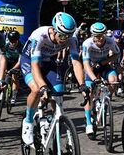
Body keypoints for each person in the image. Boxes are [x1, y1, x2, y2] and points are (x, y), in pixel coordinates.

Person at [19, 12, 85, 145]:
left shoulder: (71, 39)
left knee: (59, 91)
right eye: (61, 35)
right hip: (30, 61)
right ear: (54, 30)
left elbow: (76, 62)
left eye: (68, 36)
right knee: (37, 89)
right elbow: (35, 65)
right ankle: (28, 122)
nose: (64, 39)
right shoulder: (40, 35)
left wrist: (82, 85)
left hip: (49, 62)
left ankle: (56, 119)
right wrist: (43, 87)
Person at [81, 22, 121, 136]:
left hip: (104, 65)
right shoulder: (87, 44)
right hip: (91, 67)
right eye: (97, 36)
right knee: (88, 93)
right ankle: (89, 123)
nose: (100, 38)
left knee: (113, 80)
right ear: (92, 35)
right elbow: (86, 65)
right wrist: (94, 79)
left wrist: (103, 62)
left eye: (102, 35)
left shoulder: (110, 41)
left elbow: (117, 54)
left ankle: (105, 101)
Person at [3, 30, 23, 104]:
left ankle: (14, 95)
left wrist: (13, 69)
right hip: (7, 61)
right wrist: (4, 68)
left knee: (15, 77)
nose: (13, 43)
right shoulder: (6, 45)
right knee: (2, 75)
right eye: (11, 41)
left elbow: (20, 61)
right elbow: (2, 57)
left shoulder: (21, 47)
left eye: (14, 41)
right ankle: (2, 92)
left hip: (16, 62)